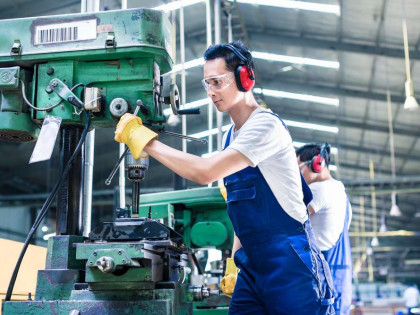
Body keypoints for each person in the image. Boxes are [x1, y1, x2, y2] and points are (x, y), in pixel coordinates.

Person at [115, 41, 335, 314]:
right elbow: (239, 211)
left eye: (218, 82)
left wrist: (144, 141)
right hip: (251, 267)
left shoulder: (265, 126)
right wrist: (233, 262)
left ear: (245, 77)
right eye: (207, 83)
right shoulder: (231, 136)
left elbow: (204, 171)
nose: (211, 92)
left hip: (290, 263)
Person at [296, 143, 352, 315]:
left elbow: (289, 218)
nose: (296, 175)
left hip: (322, 276)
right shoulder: (339, 190)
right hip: (337, 273)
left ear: (316, 163)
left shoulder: (319, 189)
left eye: (298, 168)